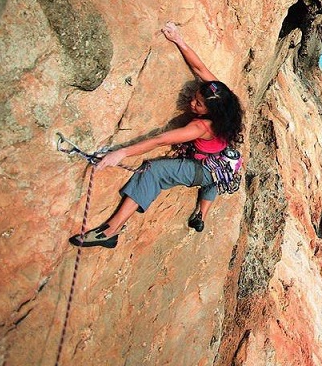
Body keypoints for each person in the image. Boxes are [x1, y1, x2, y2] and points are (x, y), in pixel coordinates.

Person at [69, 22, 244, 248]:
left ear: (211, 111)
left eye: (198, 104)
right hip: (221, 165)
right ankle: (201, 214)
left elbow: (160, 140)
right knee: (211, 183)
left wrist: (121, 152)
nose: (192, 103)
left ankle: (110, 232)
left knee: (154, 171)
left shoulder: (201, 127)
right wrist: (179, 41)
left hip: (204, 170)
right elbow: (200, 69)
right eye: (195, 98)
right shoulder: (224, 99)